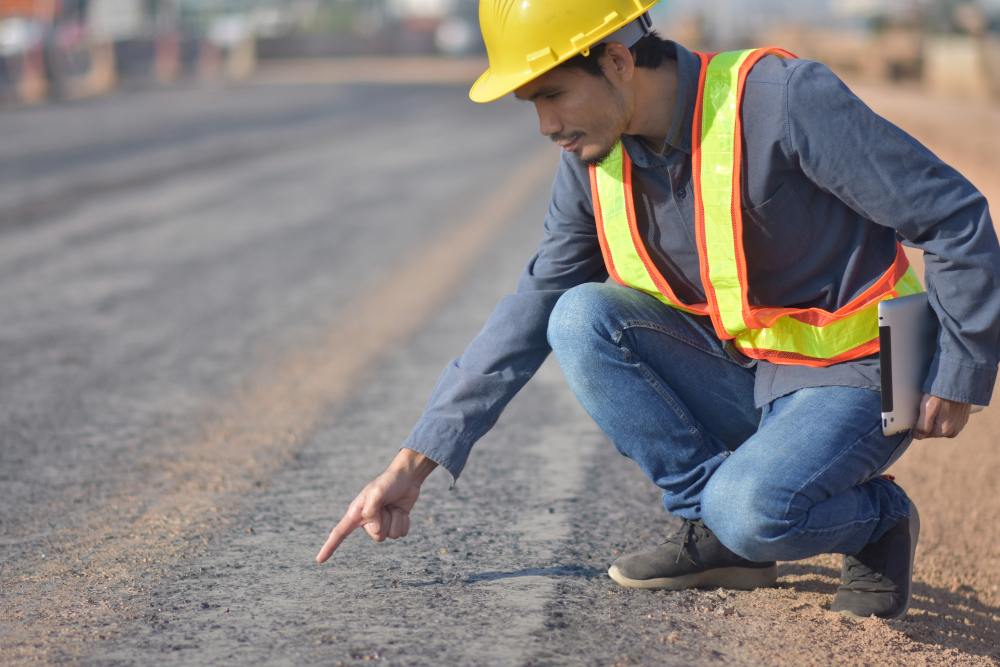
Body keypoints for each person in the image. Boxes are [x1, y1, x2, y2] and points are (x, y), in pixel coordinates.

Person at [316, 0, 999, 620]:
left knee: (751, 508)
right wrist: (411, 464)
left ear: (617, 60)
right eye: (532, 103)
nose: (546, 124)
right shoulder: (590, 161)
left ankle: (875, 520)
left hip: (868, 370)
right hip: (754, 377)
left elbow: (954, 216)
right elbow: (532, 308)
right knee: (578, 317)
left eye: (553, 95)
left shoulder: (783, 101)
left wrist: (961, 367)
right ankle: (725, 537)